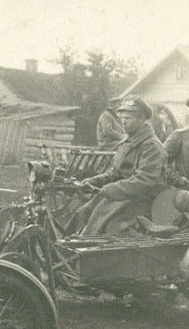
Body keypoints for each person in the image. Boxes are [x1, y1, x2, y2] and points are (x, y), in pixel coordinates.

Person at [65, 95, 166, 236]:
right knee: (83, 212)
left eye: (128, 118)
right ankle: (66, 246)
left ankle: (84, 251)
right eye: (122, 118)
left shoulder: (152, 146)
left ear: (142, 119)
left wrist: (111, 189)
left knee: (101, 219)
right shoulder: (127, 140)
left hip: (142, 199)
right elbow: (115, 173)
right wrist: (96, 181)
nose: (123, 122)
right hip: (122, 194)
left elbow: (144, 181)